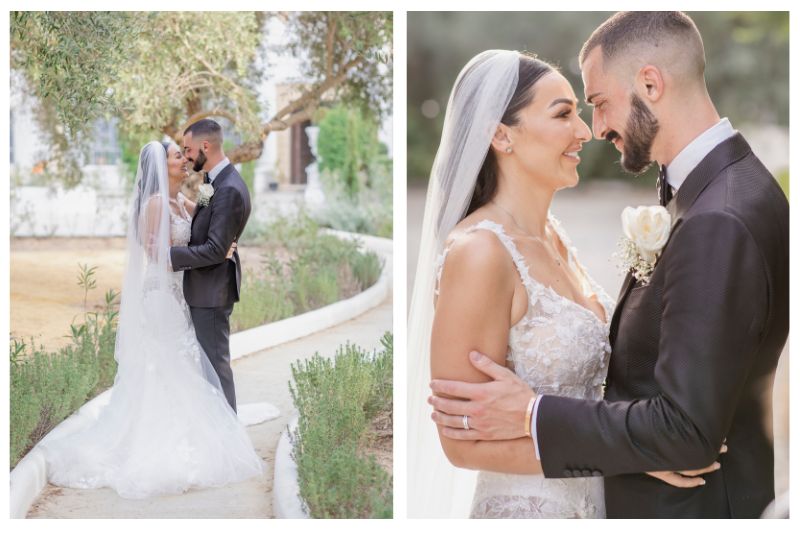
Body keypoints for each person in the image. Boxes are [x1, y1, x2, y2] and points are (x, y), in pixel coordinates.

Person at [429, 12, 789, 518]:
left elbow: (686, 428)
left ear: (650, 83)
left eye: (593, 105)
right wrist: (636, 452)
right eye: (565, 114)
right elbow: (461, 435)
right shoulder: (480, 251)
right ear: (502, 137)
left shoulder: (716, 216)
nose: (590, 130)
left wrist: (551, 420)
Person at [41, 141, 264, 499]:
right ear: (163, 166)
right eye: (178, 155)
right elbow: (156, 253)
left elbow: (205, 231)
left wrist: (221, 243)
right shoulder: (157, 204)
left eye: (183, 153)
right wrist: (211, 254)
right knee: (166, 365)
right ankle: (156, 446)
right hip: (162, 293)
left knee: (182, 363)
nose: (184, 159)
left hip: (180, 291)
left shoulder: (181, 200)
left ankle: (193, 437)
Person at [171, 118, 251, 412]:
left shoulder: (228, 188)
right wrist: (176, 202)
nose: (187, 155)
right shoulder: (212, 181)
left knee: (216, 370)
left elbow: (216, 249)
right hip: (205, 288)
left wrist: (170, 256)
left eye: (188, 149)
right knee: (209, 371)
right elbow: (202, 221)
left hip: (212, 292)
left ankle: (229, 440)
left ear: (205, 146)